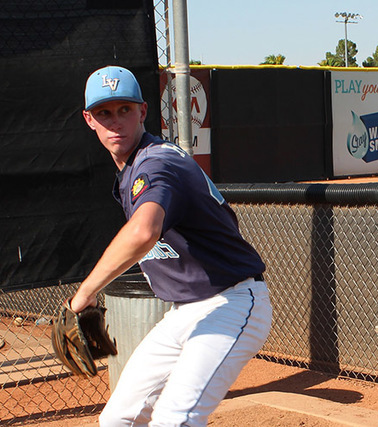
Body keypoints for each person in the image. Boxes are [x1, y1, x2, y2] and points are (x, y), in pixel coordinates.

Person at [70, 65, 272, 426]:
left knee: (174, 419)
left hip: (232, 302)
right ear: (89, 119)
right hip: (184, 312)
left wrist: (84, 294)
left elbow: (143, 232)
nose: (115, 121)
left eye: (124, 110)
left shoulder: (157, 162)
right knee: (118, 419)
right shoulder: (133, 168)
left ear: (143, 112)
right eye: (104, 113)